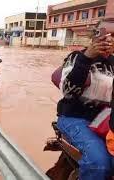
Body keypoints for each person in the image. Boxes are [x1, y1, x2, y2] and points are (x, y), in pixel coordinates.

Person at [56, 19, 114, 180]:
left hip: (107, 119)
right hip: (74, 117)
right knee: (99, 162)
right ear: (94, 36)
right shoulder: (76, 57)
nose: (109, 39)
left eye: (113, 35)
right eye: (105, 34)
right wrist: (87, 57)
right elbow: (68, 92)